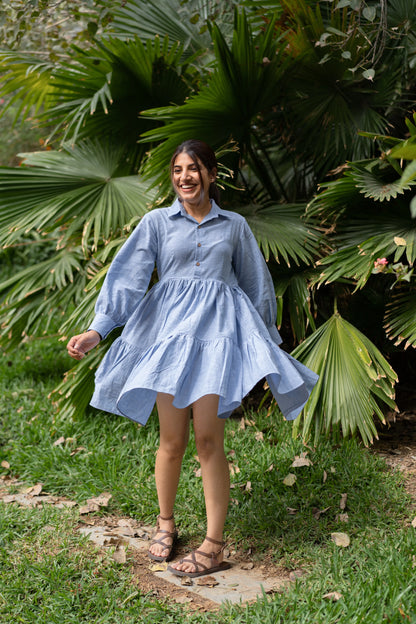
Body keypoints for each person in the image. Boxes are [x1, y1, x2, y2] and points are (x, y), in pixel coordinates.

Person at [67, 139, 318, 578]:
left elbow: (256, 285)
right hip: (170, 338)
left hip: (217, 340)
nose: (186, 177)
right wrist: (97, 329)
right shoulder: (156, 223)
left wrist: (265, 344)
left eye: (195, 168)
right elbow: (127, 278)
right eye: (178, 170)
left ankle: (214, 544)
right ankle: (165, 525)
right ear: (173, 176)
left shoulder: (235, 225)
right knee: (172, 441)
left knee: (208, 441)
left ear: (212, 174)